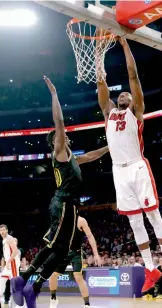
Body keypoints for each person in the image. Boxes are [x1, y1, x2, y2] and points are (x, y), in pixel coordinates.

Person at [11, 76, 109, 308]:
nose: (64, 136)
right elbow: (60, 121)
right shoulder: (60, 152)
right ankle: (27, 284)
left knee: (56, 248)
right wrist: (55, 95)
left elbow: (93, 155)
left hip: (68, 206)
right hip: (64, 203)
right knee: (59, 248)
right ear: (56, 140)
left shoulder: (73, 157)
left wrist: (111, 144)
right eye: (60, 136)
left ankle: (26, 283)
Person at [96, 36, 162, 294]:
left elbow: (132, 75)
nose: (123, 94)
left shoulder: (136, 110)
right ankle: (151, 269)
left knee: (152, 214)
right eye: (121, 94)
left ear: (132, 100)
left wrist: (125, 45)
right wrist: (98, 55)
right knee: (135, 223)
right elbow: (101, 83)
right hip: (118, 171)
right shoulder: (108, 112)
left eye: (126, 94)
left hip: (137, 166)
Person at [49, 215, 101, 308]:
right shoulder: (60, 220)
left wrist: (96, 254)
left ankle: (87, 304)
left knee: (78, 276)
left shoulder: (81, 220)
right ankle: (53, 299)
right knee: (53, 275)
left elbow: (90, 236)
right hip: (62, 252)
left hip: (76, 253)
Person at [0, 225, 20, 306]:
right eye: (0, 230)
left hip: (13, 264)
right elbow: (5, 255)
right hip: (7, 266)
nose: (2, 232)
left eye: (3, 230)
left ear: (7, 230)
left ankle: (20, 304)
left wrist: (8, 261)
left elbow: (15, 251)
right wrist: (5, 264)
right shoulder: (4, 240)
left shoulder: (9, 238)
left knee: (15, 286)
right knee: (1, 281)